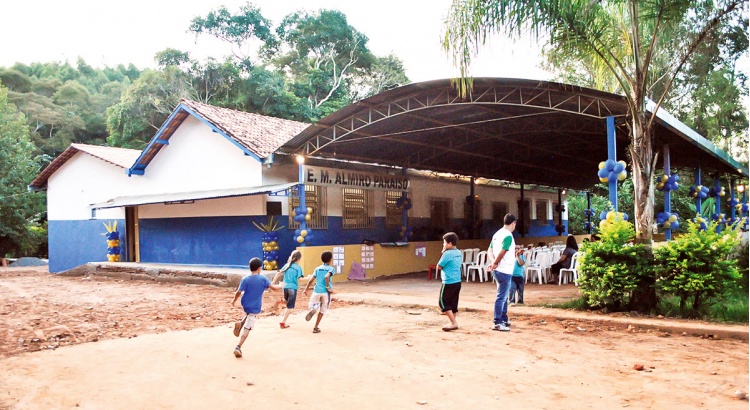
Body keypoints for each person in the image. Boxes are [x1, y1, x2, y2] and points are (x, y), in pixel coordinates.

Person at [231, 257, 282, 358]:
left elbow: (239, 292)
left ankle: (240, 323)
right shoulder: (263, 279)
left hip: (245, 303)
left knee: (249, 314)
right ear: (259, 268)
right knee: (248, 327)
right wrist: (282, 285)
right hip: (255, 306)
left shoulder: (245, 279)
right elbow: (275, 289)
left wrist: (234, 300)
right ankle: (238, 347)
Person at [487, 214, 517, 332]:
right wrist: (495, 262)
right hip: (504, 269)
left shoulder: (497, 234)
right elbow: (503, 251)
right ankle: (498, 322)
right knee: (502, 296)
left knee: (503, 295)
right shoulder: (508, 236)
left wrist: (493, 262)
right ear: (513, 223)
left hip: (498, 269)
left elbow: (489, 249)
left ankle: (504, 319)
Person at [302, 251, 335, 333]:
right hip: (326, 293)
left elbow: (311, 280)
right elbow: (327, 277)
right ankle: (315, 327)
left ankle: (313, 309)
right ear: (330, 259)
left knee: (312, 305)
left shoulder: (317, 268)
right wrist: (328, 287)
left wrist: (306, 289)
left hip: (316, 291)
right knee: (322, 310)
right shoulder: (331, 269)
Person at [271, 250, 305, 329]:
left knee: (287, 301)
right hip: (293, 288)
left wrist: (273, 282)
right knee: (290, 307)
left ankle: (280, 301)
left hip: (285, 287)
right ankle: (283, 322)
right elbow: (300, 279)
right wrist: (309, 277)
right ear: (299, 259)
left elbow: (278, 273)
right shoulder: (298, 268)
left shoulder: (287, 265)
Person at [436, 232, 462, 331]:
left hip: (448, 281)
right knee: (453, 302)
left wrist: (443, 251)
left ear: (449, 244)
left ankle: (453, 322)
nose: (443, 245)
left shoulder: (447, 254)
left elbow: (439, 266)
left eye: (444, 243)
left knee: (442, 302)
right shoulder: (458, 252)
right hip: (457, 281)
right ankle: (452, 321)